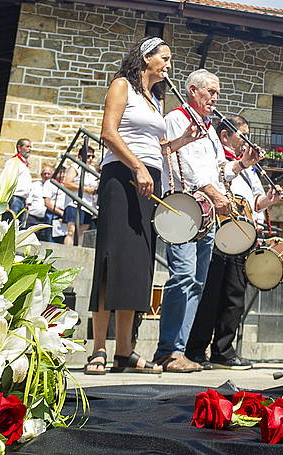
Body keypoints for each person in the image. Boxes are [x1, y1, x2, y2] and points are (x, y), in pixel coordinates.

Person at [85, 37, 202, 376]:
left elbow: (158, 144)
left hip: (150, 179)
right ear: (145, 57)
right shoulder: (122, 86)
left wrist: (183, 141)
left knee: (137, 265)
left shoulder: (154, 99)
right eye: (164, 58)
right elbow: (108, 132)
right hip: (121, 176)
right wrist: (136, 166)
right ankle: (98, 349)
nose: (169, 64)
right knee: (112, 259)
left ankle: (124, 351)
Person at [153, 70, 260, 374]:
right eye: (210, 91)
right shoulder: (177, 118)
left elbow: (218, 169)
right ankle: (169, 351)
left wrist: (241, 164)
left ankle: (181, 350)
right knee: (183, 277)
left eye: (216, 92)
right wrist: (213, 191)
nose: (215, 98)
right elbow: (183, 160)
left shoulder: (211, 129)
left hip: (207, 214)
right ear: (192, 91)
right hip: (186, 210)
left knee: (197, 283)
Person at [185, 113, 277, 370]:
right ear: (224, 135)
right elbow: (216, 183)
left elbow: (255, 202)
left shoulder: (248, 169)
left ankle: (223, 350)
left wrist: (268, 200)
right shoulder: (219, 159)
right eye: (242, 135)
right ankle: (195, 349)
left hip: (242, 234)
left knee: (234, 296)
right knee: (210, 293)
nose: (246, 141)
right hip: (220, 231)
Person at [0, 138, 33, 220]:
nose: (29, 149)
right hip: (14, 199)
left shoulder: (24, 164)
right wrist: (5, 201)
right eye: (27, 146)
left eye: (30, 147)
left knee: (17, 226)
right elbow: (6, 181)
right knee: (9, 224)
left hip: (22, 200)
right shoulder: (14, 162)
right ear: (19, 148)